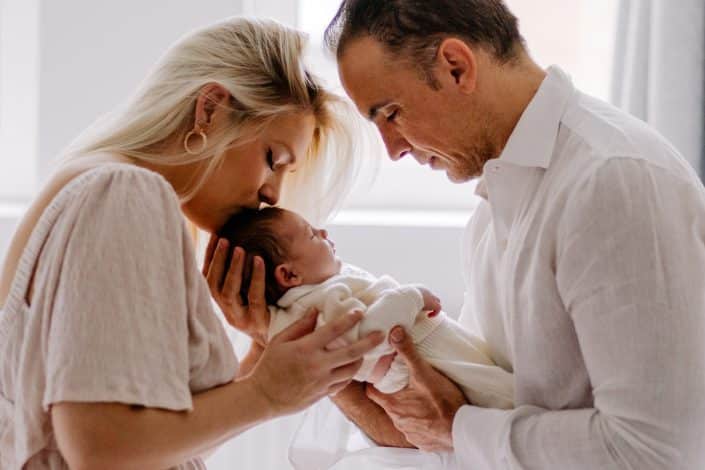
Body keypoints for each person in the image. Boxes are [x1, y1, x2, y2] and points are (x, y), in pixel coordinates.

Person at [293, 1, 705, 469]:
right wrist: (288, 332)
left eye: (391, 113)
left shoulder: (613, 184)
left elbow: (656, 454)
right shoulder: (495, 212)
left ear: (455, 67)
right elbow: (458, 433)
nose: (392, 150)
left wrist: (459, 427)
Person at [0, 17, 386, 469]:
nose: (273, 195)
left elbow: (155, 450)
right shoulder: (123, 192)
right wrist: (264, 394)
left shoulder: (95, 184)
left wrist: (262, 359)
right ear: (210, 109)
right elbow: (103, 451)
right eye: (272, 159)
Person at [217, 206, 514, 408]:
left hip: (419, 344)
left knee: (490, 372)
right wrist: (410, 297)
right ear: (290, 275)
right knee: (497, 393)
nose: (322, 232)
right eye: (311, 234)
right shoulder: (310, 312)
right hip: (418, 354)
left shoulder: (316, 292)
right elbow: (366, 340)